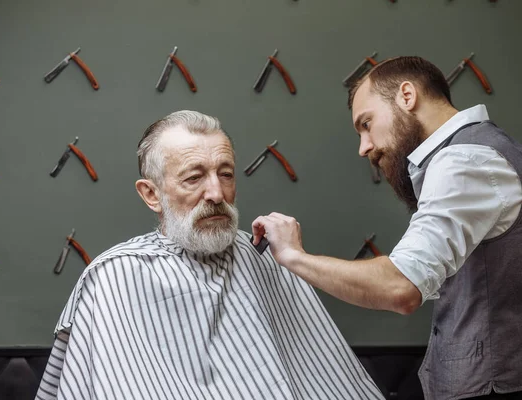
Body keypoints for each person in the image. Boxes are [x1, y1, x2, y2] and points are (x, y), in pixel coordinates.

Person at [35, 110, 384, 400]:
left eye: (226, 174)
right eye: (194, 178)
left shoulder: (265, 255)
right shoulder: (116, 276)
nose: (216, 192)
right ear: (151, 194)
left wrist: (295, 257)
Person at [251, 56, 522, 400]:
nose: (364, 147)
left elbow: (401, 287)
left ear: (407, 96)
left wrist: (292, 255)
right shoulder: (484, 151)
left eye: (366, 124)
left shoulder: (464, 161)